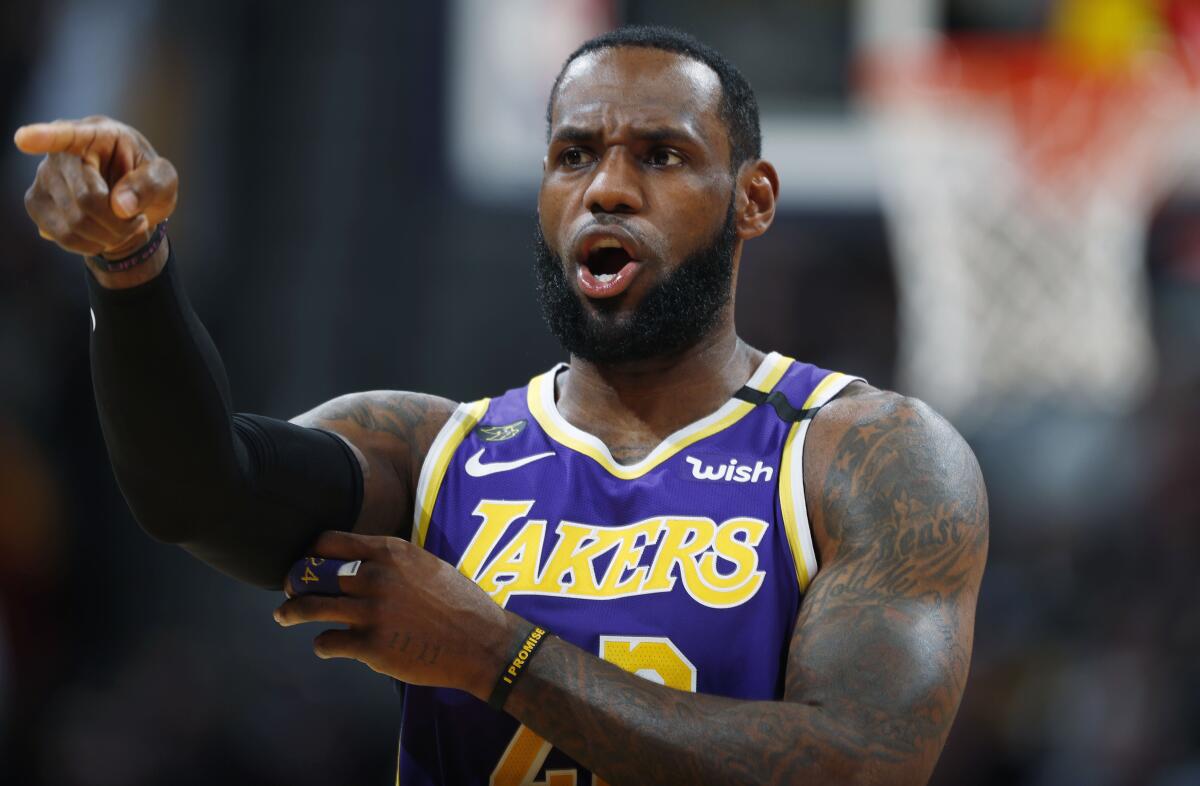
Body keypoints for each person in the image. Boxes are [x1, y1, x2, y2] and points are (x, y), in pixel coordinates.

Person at [15, 25, 987, 786]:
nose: (608, 187)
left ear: (753, 199)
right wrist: (129, 265)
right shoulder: (434, 450)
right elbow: (197, 492)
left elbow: (857, 764)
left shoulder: (865, 453)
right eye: (574, 155)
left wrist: (498, 656)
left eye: (660, 155)